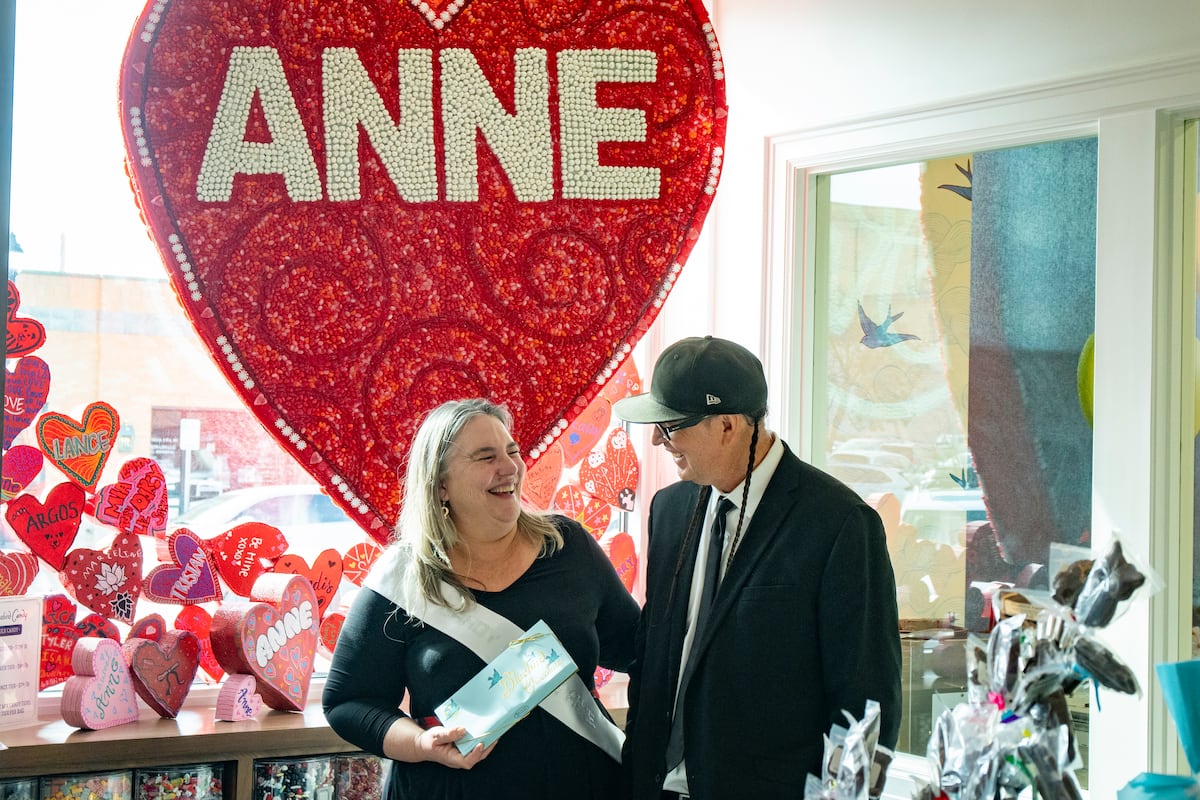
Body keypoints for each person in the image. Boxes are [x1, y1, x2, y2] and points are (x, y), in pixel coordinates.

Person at [614, 336, 902, 799]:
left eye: (669, 427)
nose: (656, 440)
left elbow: (867, 702)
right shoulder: (669, 509)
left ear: (726, 425)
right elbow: (654, 658)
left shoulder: (838, 524)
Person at [323, 398, 640, 799]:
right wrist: (422, 744)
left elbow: (638, 649)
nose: (510, 467)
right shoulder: (401, 578)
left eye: (512, 451)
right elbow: (348, 703)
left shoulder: (567, 545)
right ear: (440, 484)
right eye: (486, 456)